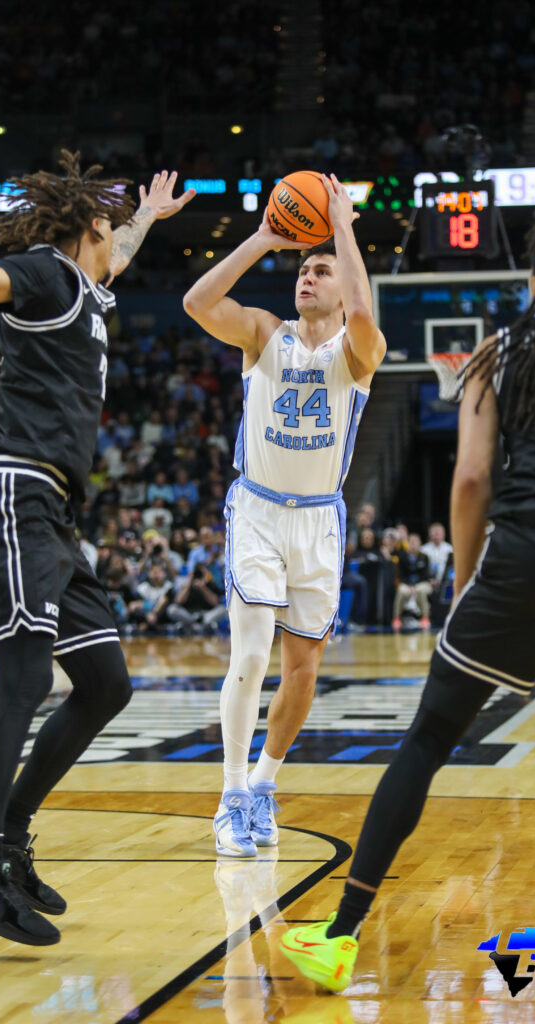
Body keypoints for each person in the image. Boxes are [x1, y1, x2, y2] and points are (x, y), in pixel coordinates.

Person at [280, 185, 535, 989]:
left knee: (425, 740)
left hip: (525, 553)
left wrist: (464, 586)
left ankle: (340, 936)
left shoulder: (498, 350)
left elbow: (471, 480)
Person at [0, 152, 194, 945]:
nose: (118, 239)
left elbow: (119, 253)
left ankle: (8, 839)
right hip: (15, 489)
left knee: (105, 684)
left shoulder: (89, 282)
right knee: (28, 676)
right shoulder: (45, 273)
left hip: (53, 509)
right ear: (88, 229)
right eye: (112, 225)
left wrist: (148, 217)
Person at [183, 173, 386, 857]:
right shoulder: (264, 334)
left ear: (343, 287)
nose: (308, 276)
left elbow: (364, 316)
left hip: (319, 522)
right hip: (259, 510)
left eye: (321, 270)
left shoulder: (357, 353)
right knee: (249, 653)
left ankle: (265, 783)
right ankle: (231, 796)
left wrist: (343, 228)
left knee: (302, 672)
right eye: (303, 269)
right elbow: (196, 302)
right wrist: (265, 238)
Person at [392, 532, 432, 631]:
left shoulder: (424, 557)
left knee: (421, 591)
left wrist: (414, 586)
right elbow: (401, 575)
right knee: (401, 591)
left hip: (422, 583)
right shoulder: (403, 557)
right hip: (406, 584)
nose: (413, 544)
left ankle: (425, 618)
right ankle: (396, 618)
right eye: (411, 542)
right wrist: (409, 585)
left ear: (420, 543)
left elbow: (425, 575)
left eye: (415, 542)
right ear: (408, 544)